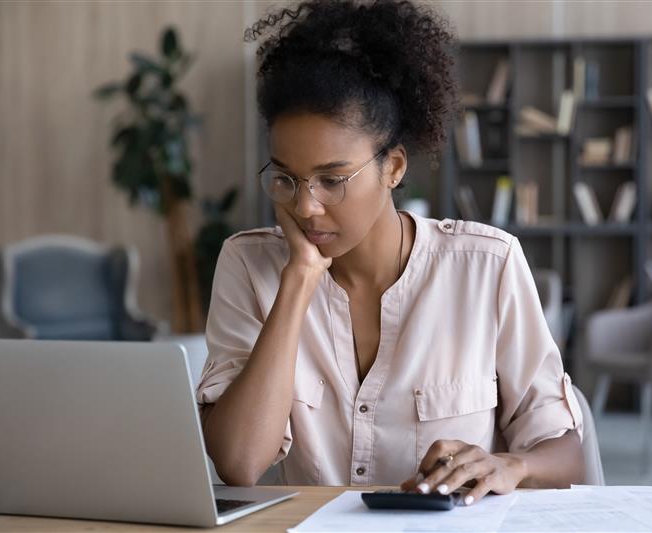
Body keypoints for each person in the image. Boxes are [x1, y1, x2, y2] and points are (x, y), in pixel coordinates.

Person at [196, 0, 584, 506]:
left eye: (332, 180)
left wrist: (512, 463)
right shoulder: (249, 265)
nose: (306, 206)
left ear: (394, 167)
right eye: (286, 179)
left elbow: (569, 455)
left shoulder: (487, 266)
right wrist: (298, 281)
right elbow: (239, 463)